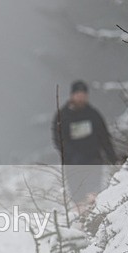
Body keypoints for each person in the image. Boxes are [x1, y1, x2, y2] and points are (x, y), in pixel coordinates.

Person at [52, 80, 117, 213]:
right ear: (72, 95)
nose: (81, 97)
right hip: (73, 164)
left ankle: (95, 219)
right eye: (78, 94)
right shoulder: (62, 116)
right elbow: (58, 139)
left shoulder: (93, 114)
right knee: (78, 198)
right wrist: (71, 155)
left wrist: (113, 158)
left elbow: (104, 136)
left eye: (83, 94)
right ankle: (81, 220)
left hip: (93, 160)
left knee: (94, 194)